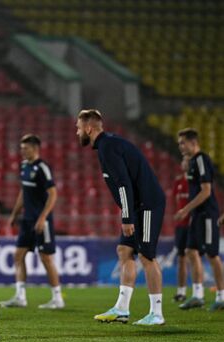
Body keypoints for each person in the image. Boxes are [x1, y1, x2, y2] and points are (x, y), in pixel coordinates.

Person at [76, 109, 166, 326]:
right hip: (137, 206)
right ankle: (122, 309)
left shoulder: (107, 147)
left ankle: (157, 313)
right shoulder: (108, 145)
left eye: (78, 128)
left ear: (89, 128)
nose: (77, 133)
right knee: (124, 251)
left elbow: (124, 184)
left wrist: (127, 217)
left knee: (146, 256)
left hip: (146, 205)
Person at [0, 134, 64, 309]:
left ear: (35, 149)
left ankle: (58, 298)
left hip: (42, 221)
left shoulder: (42, 167)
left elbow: (53, 194)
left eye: (25, 148)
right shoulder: (24, 166)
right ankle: (20, 296)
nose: (22, 151)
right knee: (18, 256)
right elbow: (24, 191)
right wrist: (15, 213)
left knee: (46, 258)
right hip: (27, 220)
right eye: (21, 148)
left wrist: (43, 217)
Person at [175, 128, 224, 311]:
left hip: (207, 214)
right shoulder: (193, 161)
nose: (180, 146)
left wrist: (185, 209)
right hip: (197, 215)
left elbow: (206, 191)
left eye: (182, 142)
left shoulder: (202, 159)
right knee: (190, 251)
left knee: (212, 255)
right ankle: (197, 295)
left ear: (193, 142)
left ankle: (221, 296)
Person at [172, 156, 190, 302]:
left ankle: (199, 292)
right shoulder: (178, 181)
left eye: (188, 161)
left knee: (196, 256)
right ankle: (181, 291)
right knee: (182, 258)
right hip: (180, 226)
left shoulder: (196, 182)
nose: (185, 163)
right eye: (183, 160)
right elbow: (174, 202)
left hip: (193, 224)